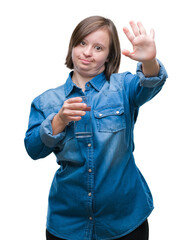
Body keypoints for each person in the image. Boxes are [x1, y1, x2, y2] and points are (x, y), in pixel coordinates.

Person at [24, 16, 168, 240]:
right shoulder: (47, 101)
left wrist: (150, 61)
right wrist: (59, 120)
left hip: (125, 221)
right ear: (72, 45)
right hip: (67, 223)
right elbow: (33, 149)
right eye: (82, 43)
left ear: (109, 55)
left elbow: (150, 82)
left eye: (98, 47)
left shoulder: (123, 87)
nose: (87, 52)